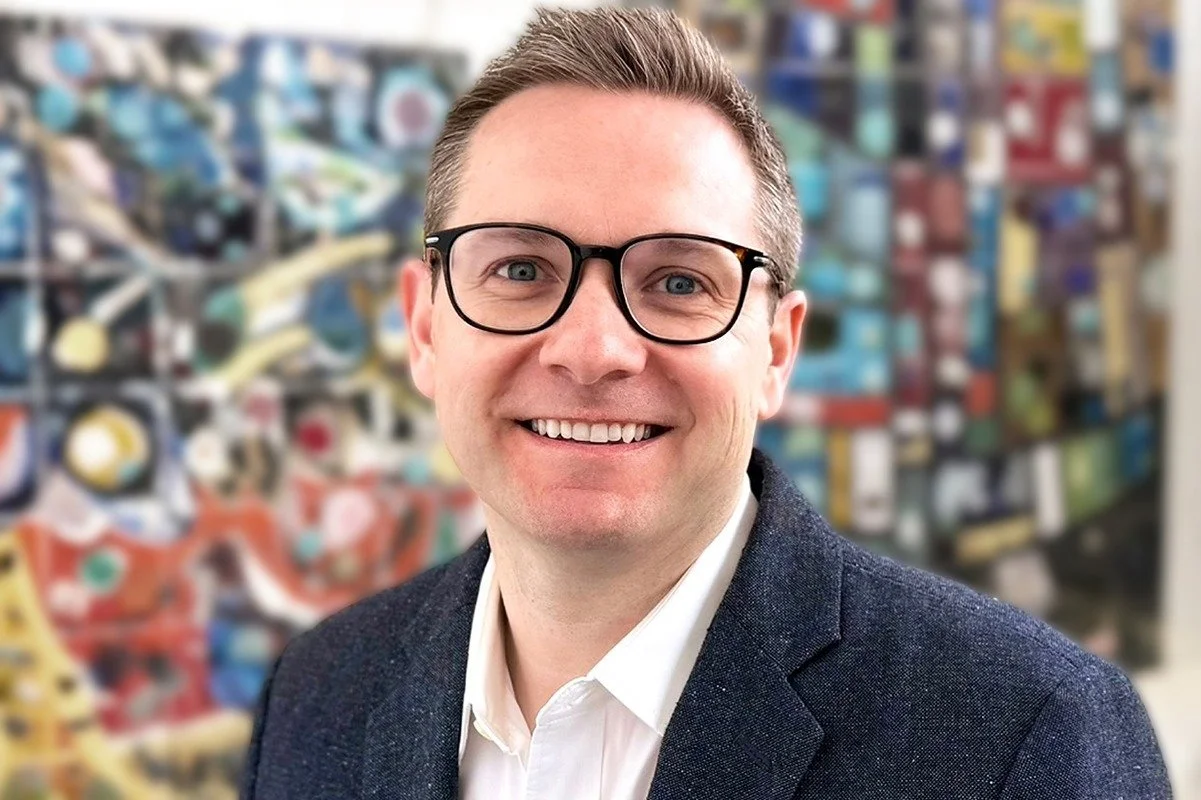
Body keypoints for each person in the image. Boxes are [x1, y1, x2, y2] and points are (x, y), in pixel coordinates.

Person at [240, 7, 1170, 799]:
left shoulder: (1027, 734)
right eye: (520, 269)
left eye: (678, 282)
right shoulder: (318, 696)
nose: (594, 350)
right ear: (425, 327)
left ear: (775, 347)